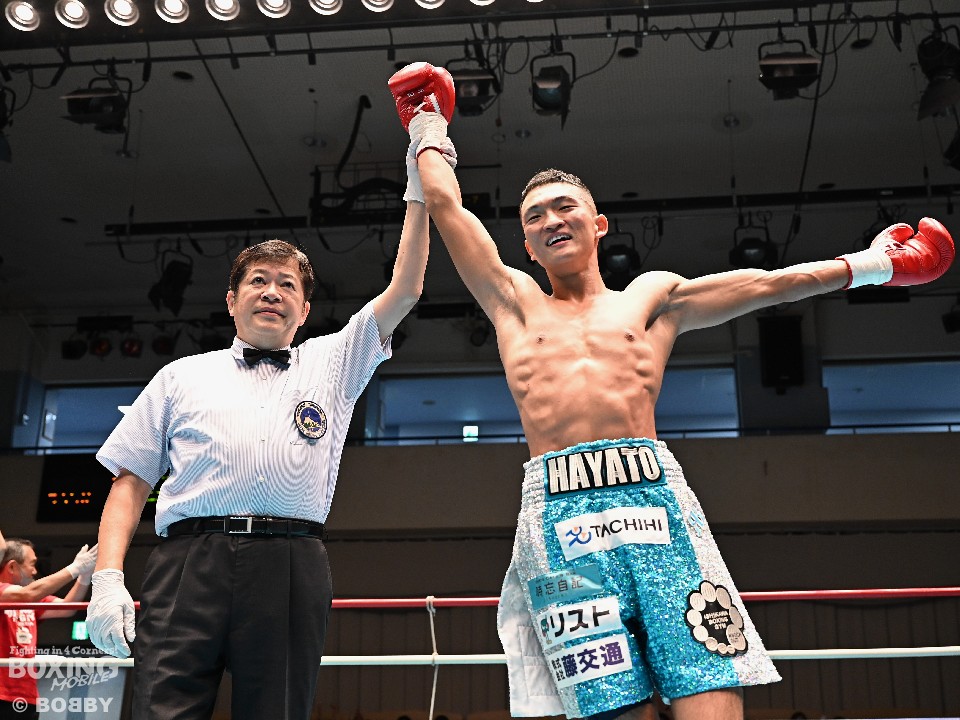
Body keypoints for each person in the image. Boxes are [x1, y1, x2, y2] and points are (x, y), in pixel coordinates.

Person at [387, 62, 955, 720]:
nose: (551, 219)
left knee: (711, 691)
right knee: (612, 710)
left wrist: (874, 265)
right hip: (559, 518)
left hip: (653, 501)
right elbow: (448, 208)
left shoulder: (650, 297)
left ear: (599, 224)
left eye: (566, 206)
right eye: (535, 216)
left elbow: (765, 284)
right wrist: (428, 124)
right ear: (528, 245)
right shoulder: (514, 302)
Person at [85, 189, 432, 720]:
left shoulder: (334, 361)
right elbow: (129, 484)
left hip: (290, 562)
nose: (272, 292)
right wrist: (107, 578)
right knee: (161, 709)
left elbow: (405, 289)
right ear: (232, 300)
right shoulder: (180, 376)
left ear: (305, 309)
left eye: (287, 284)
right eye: (258, 281)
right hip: (188, 562)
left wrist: (418, 192)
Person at [0, 538, 98, 720]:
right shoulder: (15, 593)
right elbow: (27, 594)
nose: (35, 571)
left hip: (27, 695)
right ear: (12, 567)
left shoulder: (29, 598)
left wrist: (84, 576)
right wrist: (74, 568)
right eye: (32, 564)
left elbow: (67, 607)